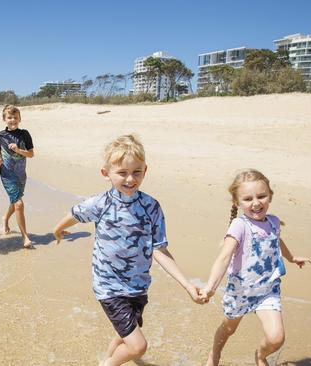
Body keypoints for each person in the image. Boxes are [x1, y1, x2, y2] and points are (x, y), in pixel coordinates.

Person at [52, 134, 206, 366]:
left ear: (145, 170)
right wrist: (57, 230)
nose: (130, 179)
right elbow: (75, 213)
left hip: (138, 285)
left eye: (136, 172)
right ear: (106, 174)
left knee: (122, 336)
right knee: (138, 346)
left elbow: (160, 249)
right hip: (109, 286)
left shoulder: (151, 206)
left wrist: (187, 285)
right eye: (122, 173)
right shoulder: (101, 204)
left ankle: (107, 358)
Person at [200, 169, 311, 366]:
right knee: (228, 329)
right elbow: (224, 257)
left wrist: (292, 258)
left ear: (270, 196)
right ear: (237, 202)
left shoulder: (274, 221)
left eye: (261, 196)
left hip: (267, 291)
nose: (256, 203)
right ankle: (214, 354)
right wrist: (210, 287)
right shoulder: (239, 225)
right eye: (248, 198)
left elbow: (277, 241)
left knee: (276, 338)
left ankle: (260, 355)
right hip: (241, 291)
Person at [0, 105, 34, 248]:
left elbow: (31, 154)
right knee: (19, 204)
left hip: (21, 174)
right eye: (9, 117)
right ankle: (25, 237)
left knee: (14, 201)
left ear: (19, 119)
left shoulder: (25, 134)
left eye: (15, 117)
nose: (13, 120)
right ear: (4, 119)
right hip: (7, 174)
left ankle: (5, 219)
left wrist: (18, 150)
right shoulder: (0, 135)